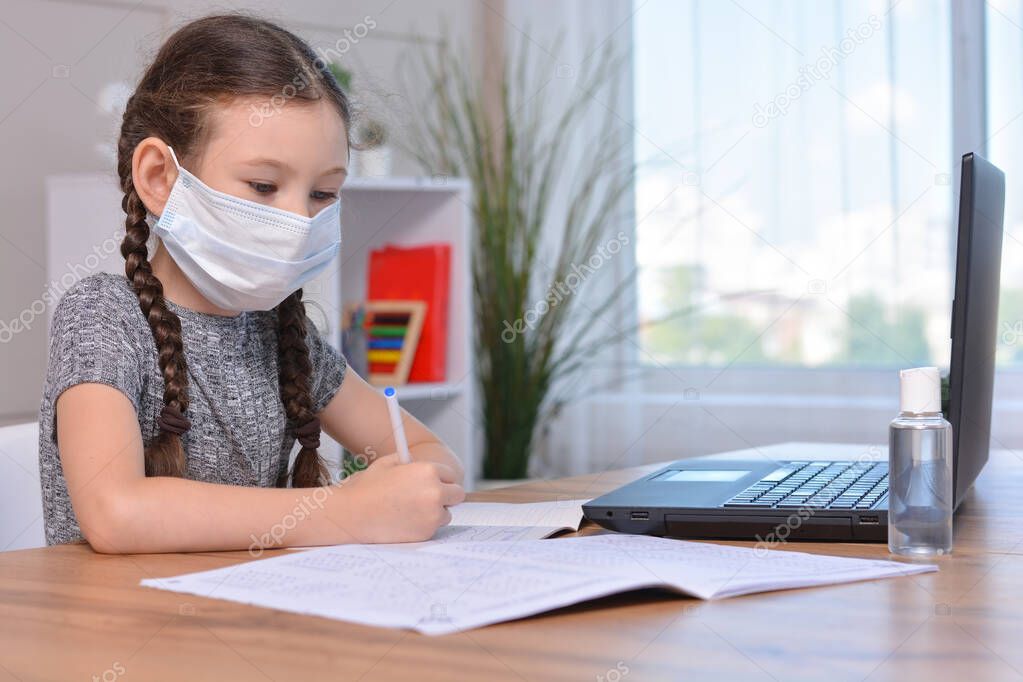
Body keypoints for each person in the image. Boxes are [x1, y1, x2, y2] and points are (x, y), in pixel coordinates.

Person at [38, 14, 464, 553]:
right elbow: (116, 513)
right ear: (158, 178)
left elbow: (430, 453)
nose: (298, 223)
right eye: (264, 185)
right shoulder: (103, 317)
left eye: (323, 194)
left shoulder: (287, 336)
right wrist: (344, 512)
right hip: (125, 631)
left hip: (255, 624)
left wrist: (415, 487)